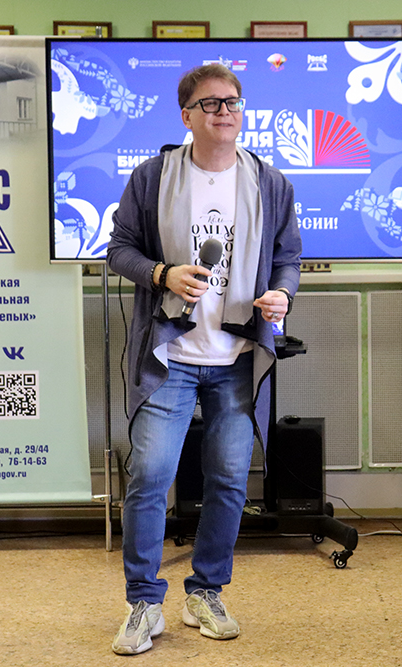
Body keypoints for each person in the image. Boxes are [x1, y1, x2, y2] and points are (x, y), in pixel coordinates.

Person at [106, 63, 302, 655]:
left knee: (228, 480)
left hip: (236, 356)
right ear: (186, 115)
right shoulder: (152, 176)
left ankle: (206, 591)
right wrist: (162, 273)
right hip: (171, 354)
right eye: (211, 103)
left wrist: (282, 292)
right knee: (150, 477)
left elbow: (288, 257)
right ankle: (144, 603)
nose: (224, 111)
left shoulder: (270, 182)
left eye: (233, 101)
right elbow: (119, 249)